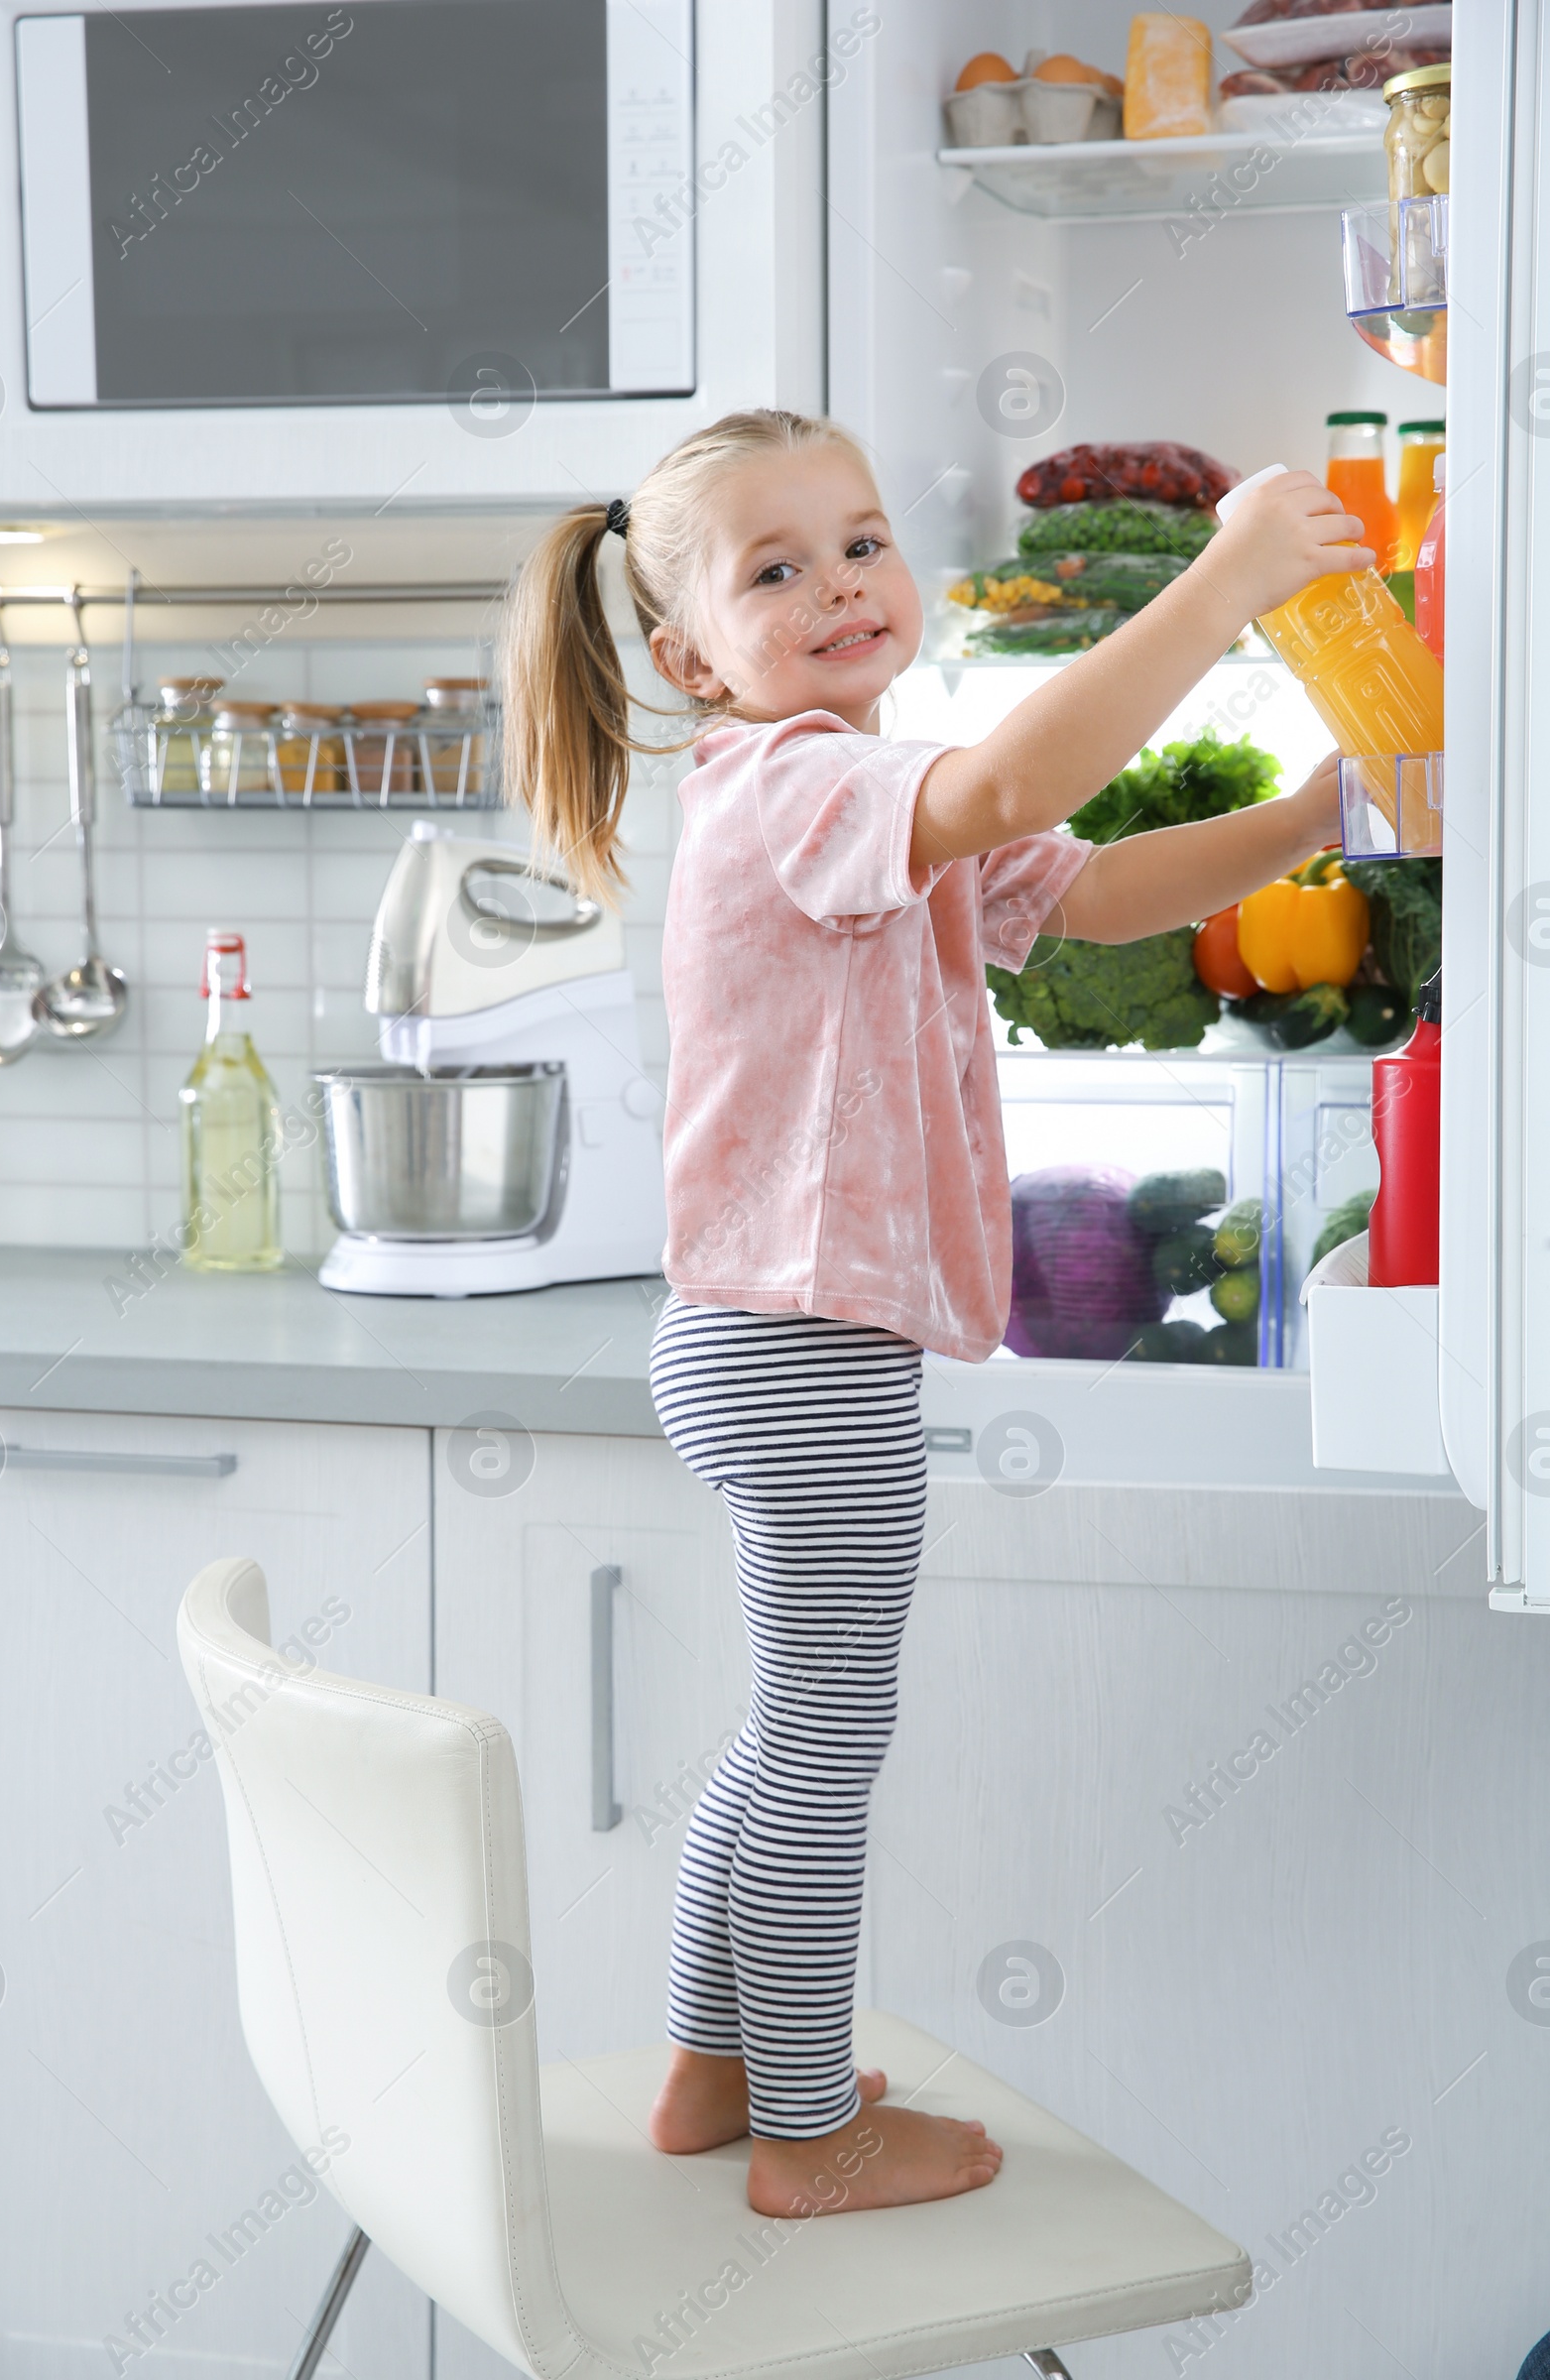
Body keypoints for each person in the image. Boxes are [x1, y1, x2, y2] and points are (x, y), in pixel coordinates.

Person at [501, 408, 1365, 2219]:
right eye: (774, 569)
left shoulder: (858, 796)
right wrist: (1223, 583)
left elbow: (1101, 890)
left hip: (768, 1334)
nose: (840, 586)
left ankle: (716, 2067)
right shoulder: (797, 787)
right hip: (799, 1346)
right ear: (687, 658)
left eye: (862, 541)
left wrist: (1321, 814)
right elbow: (1003, 793)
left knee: (786, 1725)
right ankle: (810, 2134)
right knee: (829, 1741)